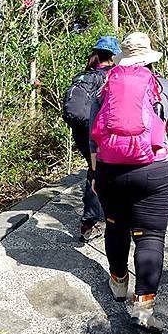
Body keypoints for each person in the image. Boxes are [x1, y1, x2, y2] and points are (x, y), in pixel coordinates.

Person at [89, 32, 168, 332]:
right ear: (148, 59)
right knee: (150, 236)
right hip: (154, 171)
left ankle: (119, 283)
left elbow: (93, 138)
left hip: (109, 172)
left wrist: (95, 174)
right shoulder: (164, 87)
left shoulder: (105, 88)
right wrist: (160, 146)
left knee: (116, 226)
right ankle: (143, 309)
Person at [63, 36, 121, 243]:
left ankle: (94, 218)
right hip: (98, 130)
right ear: (113, 55)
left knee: (94, 169)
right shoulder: (112, 75)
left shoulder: (84, 76)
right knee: (98, 172)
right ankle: (91, 221)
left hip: (80, 130)